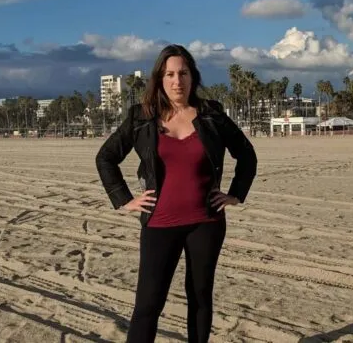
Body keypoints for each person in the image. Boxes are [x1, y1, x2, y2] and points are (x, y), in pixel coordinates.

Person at [95, 44, 257, 343]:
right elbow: (106, 158)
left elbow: (246, 154)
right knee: (148, 305)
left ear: (192, 77)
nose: (177, 81)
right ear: (159, 78)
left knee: (199, 298)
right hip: (159, 224)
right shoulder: (141, 117)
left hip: (206, 223)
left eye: (183, 73)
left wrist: (235, 194)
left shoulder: (211, 114)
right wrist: (124, 200)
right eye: (169, 74)